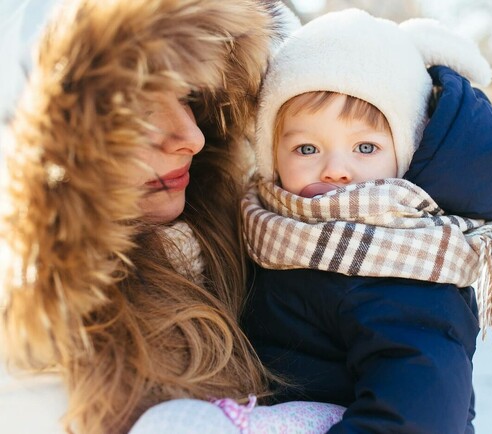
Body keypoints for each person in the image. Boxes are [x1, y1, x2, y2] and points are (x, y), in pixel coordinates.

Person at [0, 0, 344, 433]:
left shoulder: (257, 242)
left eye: (186, 96)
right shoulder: (33, 347)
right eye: (138, 113)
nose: (192, 137)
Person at [241, 9, 492, 433]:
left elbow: (418, 418)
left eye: (365, 147)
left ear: (406, 156)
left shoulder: (402, 269)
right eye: (307, 148)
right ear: (271, 157)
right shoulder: (270, 234)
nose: (335, 170)